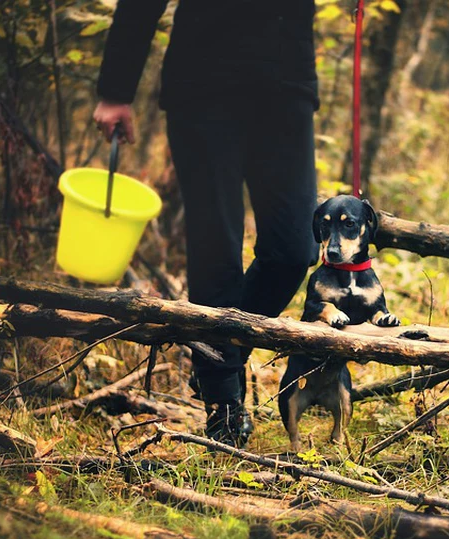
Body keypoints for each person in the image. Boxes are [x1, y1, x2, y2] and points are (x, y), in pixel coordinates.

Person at [93, 1, 320, 447]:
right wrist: (116, 90)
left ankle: (222, 352)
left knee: (295, 248)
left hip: (286, 84)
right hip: (204, 82)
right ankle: (222, 399)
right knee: (216, 238)